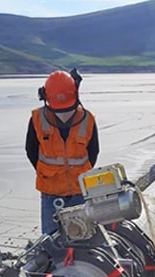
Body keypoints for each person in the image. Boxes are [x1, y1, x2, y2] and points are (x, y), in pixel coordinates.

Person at [25, 69, 99, 235]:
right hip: (51, 192)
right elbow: (31, 150)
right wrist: (48, 173)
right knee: (52, 241)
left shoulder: (87, 120)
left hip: (79, 191)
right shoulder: (37, 119)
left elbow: (93, 152)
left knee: (83, 237)